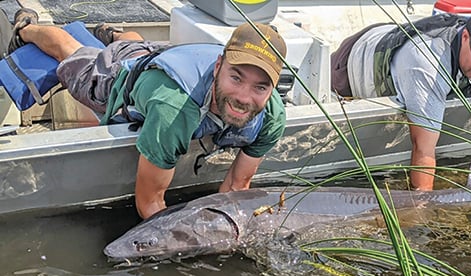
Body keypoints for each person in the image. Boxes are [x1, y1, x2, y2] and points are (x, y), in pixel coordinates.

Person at [7, 8, 288, 218]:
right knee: (72, 52)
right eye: (236, 78)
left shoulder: (272, 116)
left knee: (139, 50)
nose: (243, 98)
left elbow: (237, 189)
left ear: (273, 88)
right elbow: (150, 203)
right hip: (121, 80)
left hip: (161, 60)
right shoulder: (173, 110)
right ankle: (26, 28)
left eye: (260, 87)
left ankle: (113, 35)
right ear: (218, 67)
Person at [331, 6, 471, 196]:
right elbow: (423, 149)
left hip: (404, 51)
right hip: (357, 58)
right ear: (466, 37)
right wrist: (422, 210)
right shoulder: (426, 62)